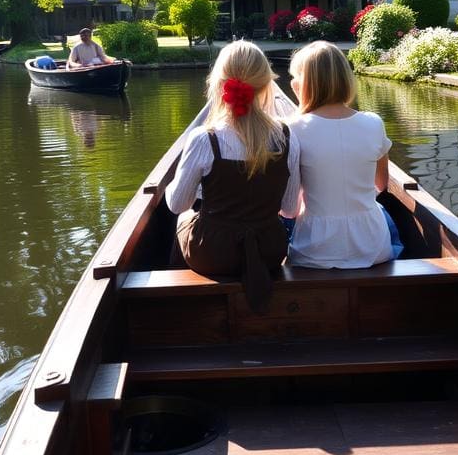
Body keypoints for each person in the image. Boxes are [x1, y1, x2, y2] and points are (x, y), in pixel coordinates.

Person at [165, 40, 300, 312]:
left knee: (183, 217)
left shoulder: (204, 139)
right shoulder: (286, 137)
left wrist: (170, 187)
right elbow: (289, 210)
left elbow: (177, 205)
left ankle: (180, 308)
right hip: (269, 250)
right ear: (266, 84)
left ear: (219, 84)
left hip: (213, 254)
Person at [283, 40, 403, 269]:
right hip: (372, 247)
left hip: (315, 251)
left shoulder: (293, 129)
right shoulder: (373, 123)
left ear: (301, 85)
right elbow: (381, 184)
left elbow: (290, 209)